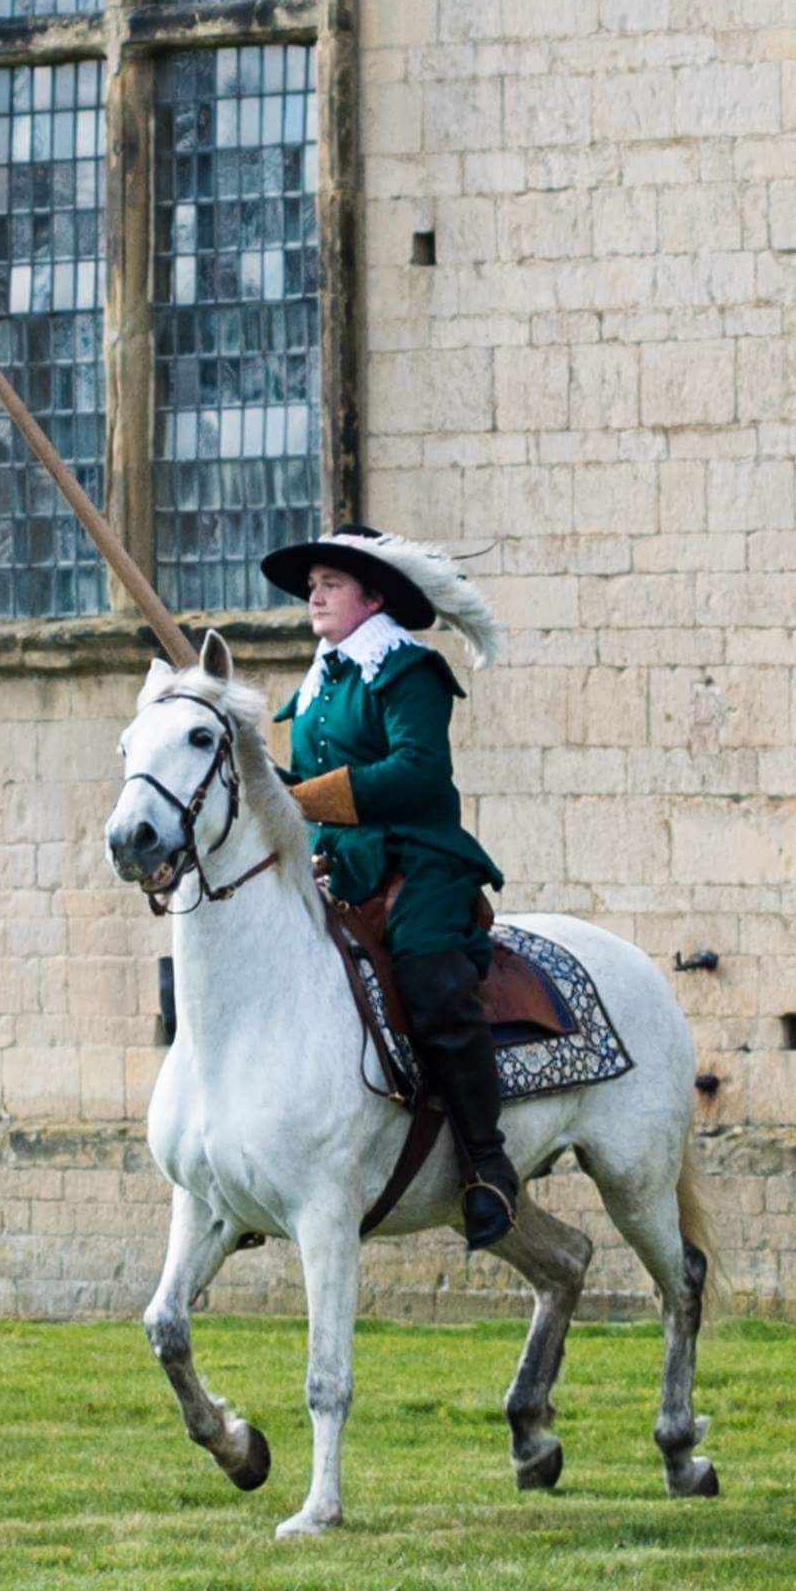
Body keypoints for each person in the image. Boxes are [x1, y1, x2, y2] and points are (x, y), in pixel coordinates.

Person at [260, 524, 519, 1249]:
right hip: (336, 863)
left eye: (330, 583)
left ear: (373, 597)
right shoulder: (317, 682)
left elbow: (416, 772)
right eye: (311, 584)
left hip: (420, 859)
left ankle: (486, 1165)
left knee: (433, 982)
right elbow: (302, 791)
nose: (314, 594)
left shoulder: (408, 671)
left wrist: (301, 799)